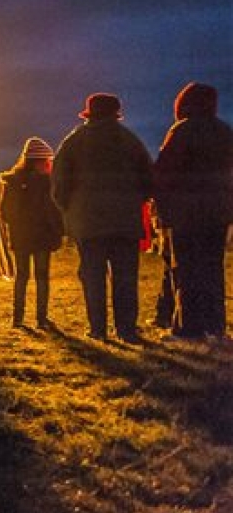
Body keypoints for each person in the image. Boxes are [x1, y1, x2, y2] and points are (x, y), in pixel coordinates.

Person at [53, 93, 153, 344]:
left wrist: (70, 209)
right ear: (116, 113)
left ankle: (98, 329)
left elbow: (59, 185)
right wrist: (133, 201)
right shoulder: (130, 141)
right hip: (125, 222)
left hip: (88, 223)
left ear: (89, 113)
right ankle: (127, 329)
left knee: (93, 277)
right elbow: (149, 180)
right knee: (126, 278)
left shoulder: (74, 142)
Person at [154, 83, 233, 340]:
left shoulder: (182, 131)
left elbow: (163, 173)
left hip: (185, 213)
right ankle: (216, 324)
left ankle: (188, 327)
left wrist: (162, 209)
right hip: (217, 213)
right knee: (213, 269)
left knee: (186, 269)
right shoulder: (224, 131)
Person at [0, 137, 64, 329]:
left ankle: (18, 318)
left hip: (21, 236)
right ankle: (41, 319)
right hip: (42, 236)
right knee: (42, 276)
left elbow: (5, 212)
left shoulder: (12, 182)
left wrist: (18, 224)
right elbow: (53, 211)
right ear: (38, 162)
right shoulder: (48, 184)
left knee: (22, 275)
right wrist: (58, 231)